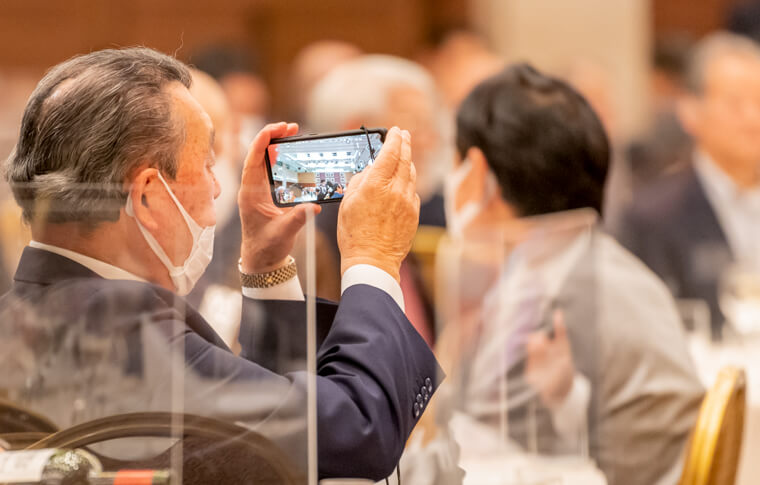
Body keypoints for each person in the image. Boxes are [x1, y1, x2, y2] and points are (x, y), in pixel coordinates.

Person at [0, 47, 441, 481]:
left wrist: (267, 268)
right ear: (148, 194)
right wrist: (372, 256)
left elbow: (261, 438)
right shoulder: (119, 324)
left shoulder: (26, 313)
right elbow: (357, 432)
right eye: (208, 165)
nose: (216, 188)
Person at [436, 64, 703, 485]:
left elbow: (470, 448)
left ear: (479, 173)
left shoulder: (572, 300)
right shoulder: (567, 262)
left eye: (454, 162)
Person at [616, 32, 760, 338]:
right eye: (735, 104)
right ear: (691, 111)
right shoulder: (652, 217)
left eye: (759, 102)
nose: (752, 118)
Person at [307, 54, 453, 344]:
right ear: (358, 132)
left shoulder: (391, 217)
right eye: (416, 125)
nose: (430, 141)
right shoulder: (314, 239)